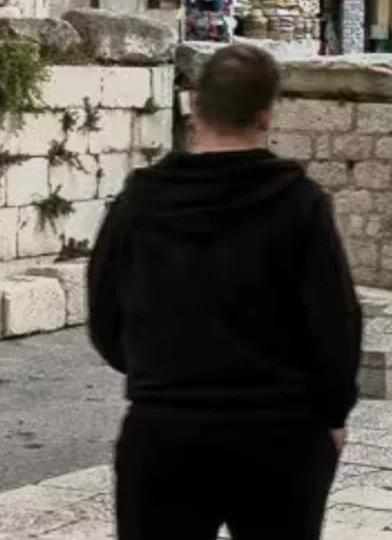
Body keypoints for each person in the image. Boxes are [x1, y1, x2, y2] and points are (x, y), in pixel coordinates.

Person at [88, 43, 362, 540]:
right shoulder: (299, 203)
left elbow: (105, 315)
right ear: (266, 117)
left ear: (194, 105)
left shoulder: (139, 203)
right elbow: (335, 321)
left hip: (165, 428)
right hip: (281, 433)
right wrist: (332, 413)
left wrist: (163, 373)